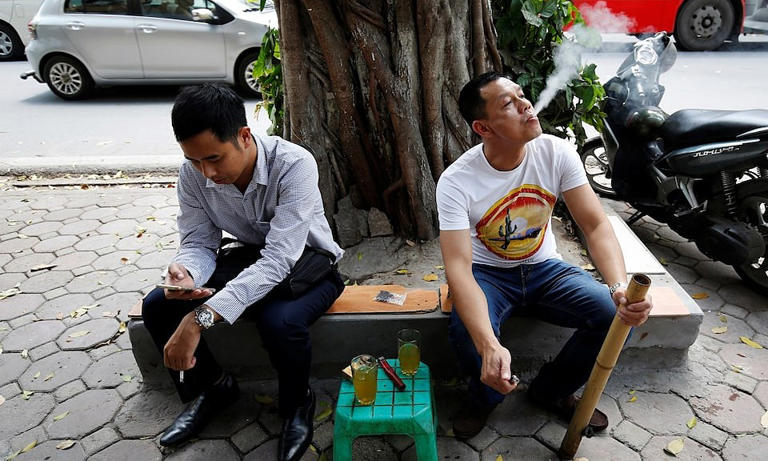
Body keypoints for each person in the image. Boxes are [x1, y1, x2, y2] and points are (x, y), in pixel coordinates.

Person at [436, 72, 653, 439]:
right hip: (487, 275)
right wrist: (490, 345)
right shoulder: (457, 181)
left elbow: (595, 225)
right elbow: (458, 267)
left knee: (612, 315)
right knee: (468, 333)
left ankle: (550, 391)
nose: (525, 105)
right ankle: (484, 398)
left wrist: (618, 286)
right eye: (508, 103)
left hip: (545, 268)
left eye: (522, 95)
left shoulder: (556, 152)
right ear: (483, 127)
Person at [141, 83, 344, 461]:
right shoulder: (193, 174)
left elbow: (281, 260)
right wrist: (187, 274)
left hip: (310, 266)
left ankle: (297, 404)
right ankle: (214, 389)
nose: (206, 172)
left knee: (279, 321)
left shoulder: (294, 164)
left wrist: (199, 319)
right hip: (252, 258)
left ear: (244, 136)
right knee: (157, 304)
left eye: (215, 159)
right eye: (195, 161)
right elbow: (200, 243)